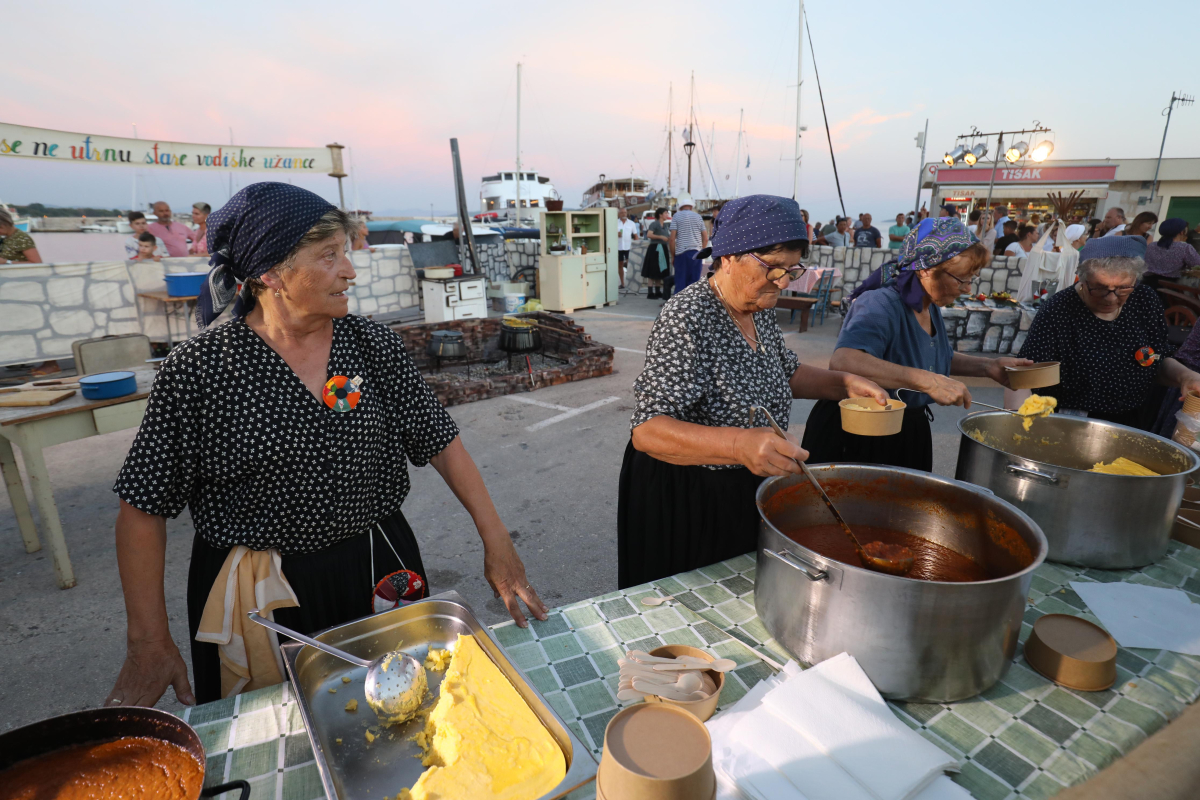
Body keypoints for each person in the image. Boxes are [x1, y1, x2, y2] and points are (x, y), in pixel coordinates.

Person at [105, 182, 546, 709]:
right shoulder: (201, 370)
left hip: (376, 565)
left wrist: (497, 541)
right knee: (278, 736)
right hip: (260, 594)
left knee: (406, 712)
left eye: (346, 252)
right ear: (270, 274)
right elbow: (142, 509)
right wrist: (148, 642)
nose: (349, 271)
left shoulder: (371, 345)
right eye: (329, 255)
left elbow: (442, 444)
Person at [617, 195, 887, 587]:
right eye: (772, 267)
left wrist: (844, 384)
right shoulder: (687, 316)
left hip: (744, 483)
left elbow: (785, 372)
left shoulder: (757, 309)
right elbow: (647, 430)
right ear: (728, 257)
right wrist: (739, 445)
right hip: (690, 494)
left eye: (791, 269)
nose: (783, 280)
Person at [803, 218, 1032, 471]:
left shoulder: (928, 304)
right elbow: (845, 360)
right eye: (961, 279)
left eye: (971, 279)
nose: (967, 289)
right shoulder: (880, 304)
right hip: (860, 430)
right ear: (925, 269)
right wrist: (925, 381)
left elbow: (934, 356)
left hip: (906, 429)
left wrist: (988, 367)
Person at [1018, 239, 1200, 430]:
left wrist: (1186, 376)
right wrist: (1021, 426)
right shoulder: (1059, 310)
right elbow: (1024, 377)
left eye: (1123, 288)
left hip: (1132, 418)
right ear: (1082, 279)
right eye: (1099, 288)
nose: (1111, 298)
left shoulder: (1145, 300)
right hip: (1069, 421)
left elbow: (1156, 359)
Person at [1143, 218, 1200, 286]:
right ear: (1182, 232)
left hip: (1147, 283)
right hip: (1170, 286)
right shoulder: (1185, 247)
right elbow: (1197, 265)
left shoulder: (1152, 245)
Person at [669, 193, 707, 293]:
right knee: (694, 284)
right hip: (696, 253)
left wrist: (673, 256)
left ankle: (680, 302)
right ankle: (692, 302)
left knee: (680, 282)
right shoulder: (698, 217)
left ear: (681, 208)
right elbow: (705, 238)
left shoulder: (676, 216)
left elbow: (672, 239)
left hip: (681, 253)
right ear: (691, 207)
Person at [641, 207, 671, 300]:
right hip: (655, 248)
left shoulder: (665, 225)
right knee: (652, 270)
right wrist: (661, 237)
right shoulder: (654, 224)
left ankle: (657, 291)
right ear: (660, 215)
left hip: (663, 248)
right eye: (665, 213)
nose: (667, 215)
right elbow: (649, 234)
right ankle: (650, 292)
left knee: (660, 269)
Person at [615, 207, 639, 289]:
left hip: (629, 247)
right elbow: (609, 234)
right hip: (618, 247)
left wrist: (637, 246)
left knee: (630, 265)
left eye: (625, 212)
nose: (624, 214)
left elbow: (635, 235)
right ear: (619, 214)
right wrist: (616, 234)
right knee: (620, 265)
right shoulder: (615, 223)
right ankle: (622, 283)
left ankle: (630, 283)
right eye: (622, 212)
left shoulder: (631, 223)